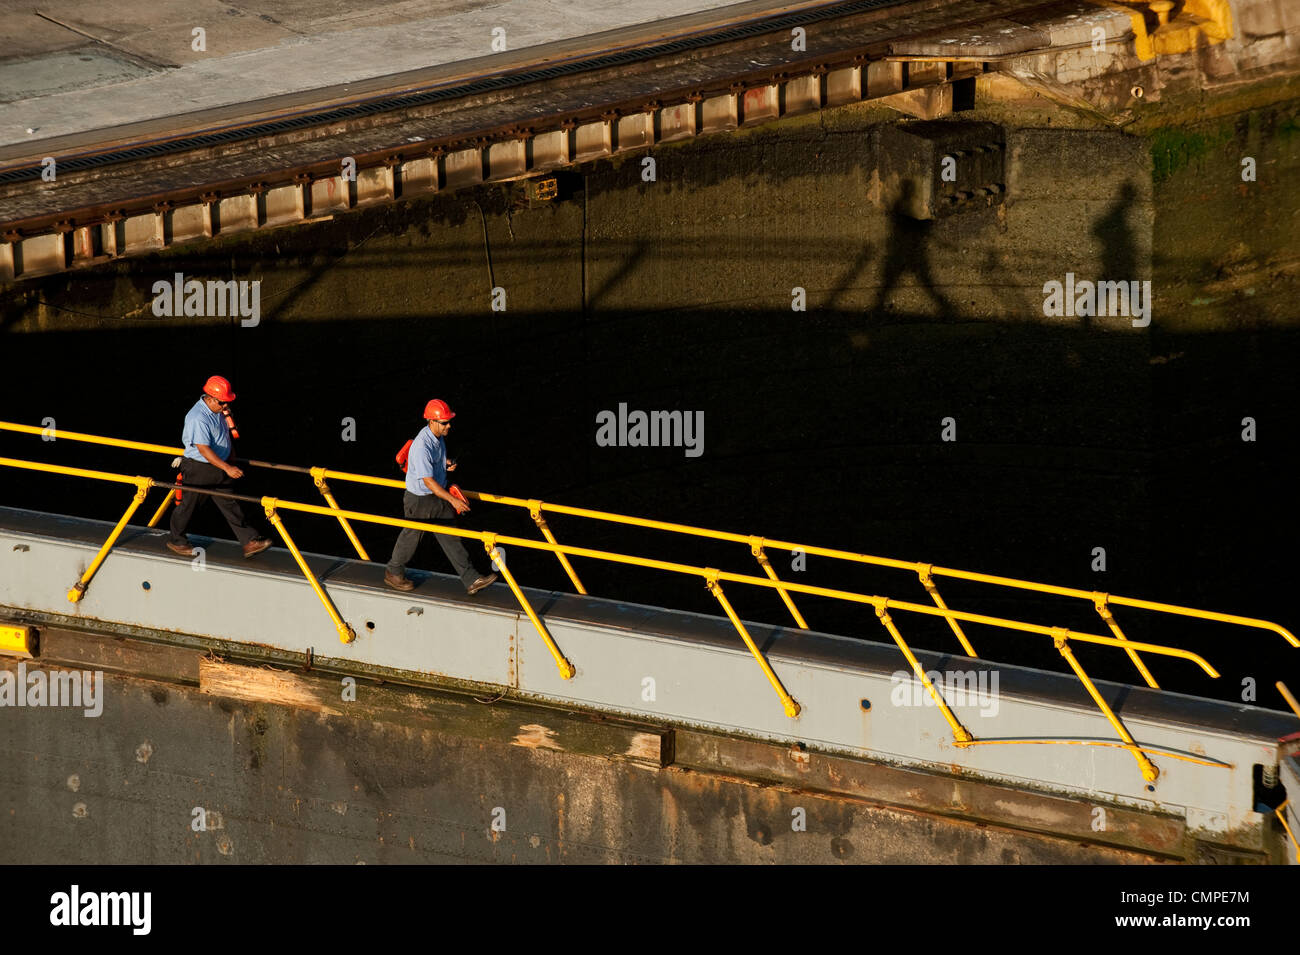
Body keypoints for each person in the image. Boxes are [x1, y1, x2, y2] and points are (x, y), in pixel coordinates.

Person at [384, 399, 497, 594]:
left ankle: (471, 580)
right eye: (445, 422)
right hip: (420, 499)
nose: (449, 425)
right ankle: (393, 572)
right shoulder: (421, 446)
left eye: (449, 421)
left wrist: (445, 463)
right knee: (411, 537)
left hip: (435, 496)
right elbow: (428, 481)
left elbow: (434, 461)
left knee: (450, 537)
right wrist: (453, 500)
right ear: (433, 421)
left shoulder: (438, 437)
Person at [166, 376, 273, 559]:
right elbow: (203, 449)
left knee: (229, 502)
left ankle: (249, 541)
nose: (226, 407)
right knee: (188, 505)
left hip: (219, 467)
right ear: (211, 398)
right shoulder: (198, 418)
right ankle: (177, 541)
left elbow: (224, 435)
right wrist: (227, 468)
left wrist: (230, 459)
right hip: (199, 467)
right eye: (223, 403)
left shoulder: (218, 411)